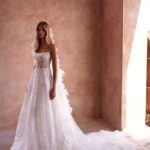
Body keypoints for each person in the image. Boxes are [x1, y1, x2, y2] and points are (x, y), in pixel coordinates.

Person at [10, 21, 136, 150]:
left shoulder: (51, 46)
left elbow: (55, 67)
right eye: (38, 30)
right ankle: (37, 141)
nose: (40, 32)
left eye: (42, 30)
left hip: (47, 80)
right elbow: (36, 66)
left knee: (49, 110)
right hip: (36, 80)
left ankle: (52, 141)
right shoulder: (37, 47)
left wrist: (53, 87)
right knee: (36, 111)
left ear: (46, 31)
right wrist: (30, 84)